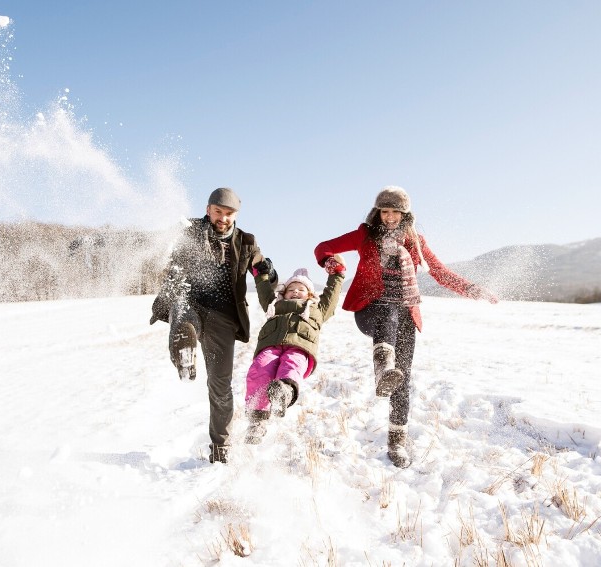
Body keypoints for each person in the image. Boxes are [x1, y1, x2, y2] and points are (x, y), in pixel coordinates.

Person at [313, 186, 497, 468]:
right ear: (377, 213)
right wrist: (332, 265)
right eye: (384, 212)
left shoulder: (415, 242)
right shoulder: (365, 235)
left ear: (405, 215)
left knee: (403, 378)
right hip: (370, 310)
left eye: (395, 212)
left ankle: (397, 441)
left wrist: (474, 290)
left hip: (406, 314)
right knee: (389, 310)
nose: (389, 217)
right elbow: (324, 247)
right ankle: (382, 365)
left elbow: (439, 272)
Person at [150, 187, 277, 464]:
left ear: (236, 215)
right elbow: (158, 244)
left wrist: (271, 286)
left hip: (223, 317)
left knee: (220, 385)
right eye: (218, 211)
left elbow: (262, 275)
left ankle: (221, 448)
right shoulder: (190, 230)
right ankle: (183, 352)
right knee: (182, 313)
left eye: (229, 213)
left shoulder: (247, 242)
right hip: (191, 301)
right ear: (208, 210)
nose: (223, 218)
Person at [243, 258, 346, 445]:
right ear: (284, 292)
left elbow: (331, 296)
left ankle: (284, 391)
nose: (295, 291)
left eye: (301, 289)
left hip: (299, 347)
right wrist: (261, 275)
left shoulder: (317, 309)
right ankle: (257, 420)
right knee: (259, 369)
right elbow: (264, 292)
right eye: (291, 289)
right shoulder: (275, 305)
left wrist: (337, 274)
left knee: (291, 365)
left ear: (309, 294)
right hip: (271, 346)